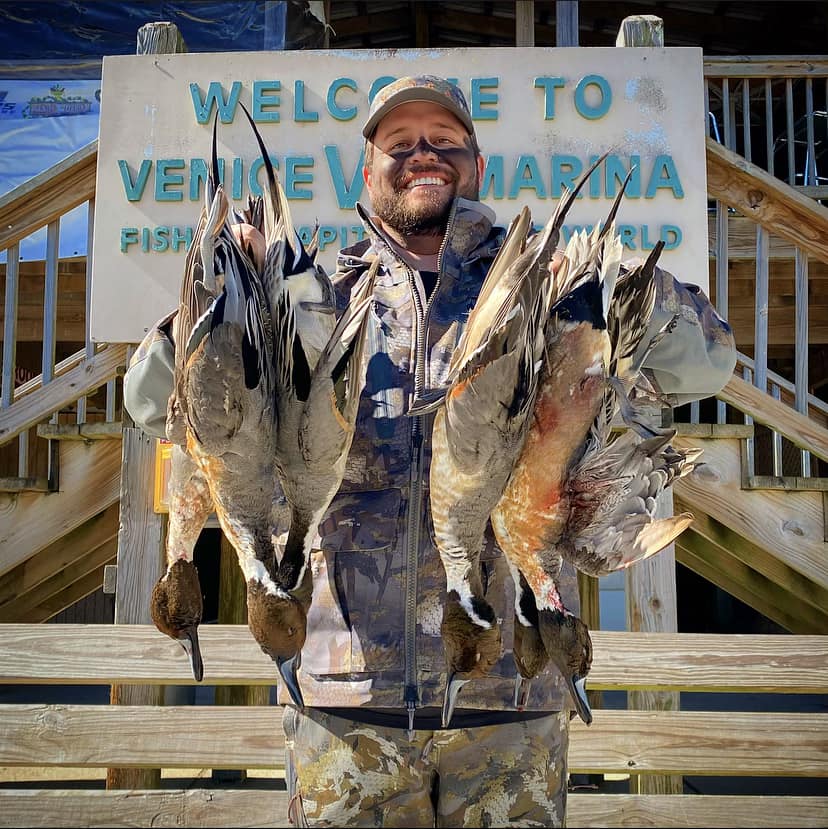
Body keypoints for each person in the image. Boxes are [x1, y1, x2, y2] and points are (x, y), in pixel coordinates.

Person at [124, 75, 736, 827]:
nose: (424, 155)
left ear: (473, 164)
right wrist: (229, 288)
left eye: (444, 142)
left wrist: (616, 285)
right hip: (348, 703)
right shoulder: (317, 288)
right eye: (400, 142)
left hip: (513, 696)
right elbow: (152, 402)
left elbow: (704, 366)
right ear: (367, 167)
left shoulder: (540, 282)